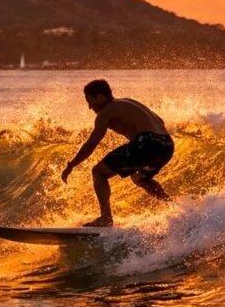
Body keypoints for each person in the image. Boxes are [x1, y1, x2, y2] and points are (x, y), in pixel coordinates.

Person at [61, 79, 174, 227]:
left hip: (147, 142)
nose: (89, 107)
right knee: (140, 178)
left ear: (100, 96)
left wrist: (71, 165)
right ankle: (173, 207)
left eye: (89, 101)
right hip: (167, 144)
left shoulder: (105, 113)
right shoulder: (128, 102)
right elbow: (160, 121)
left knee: (98, 172)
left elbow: (91, 144)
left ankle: (105, 218)